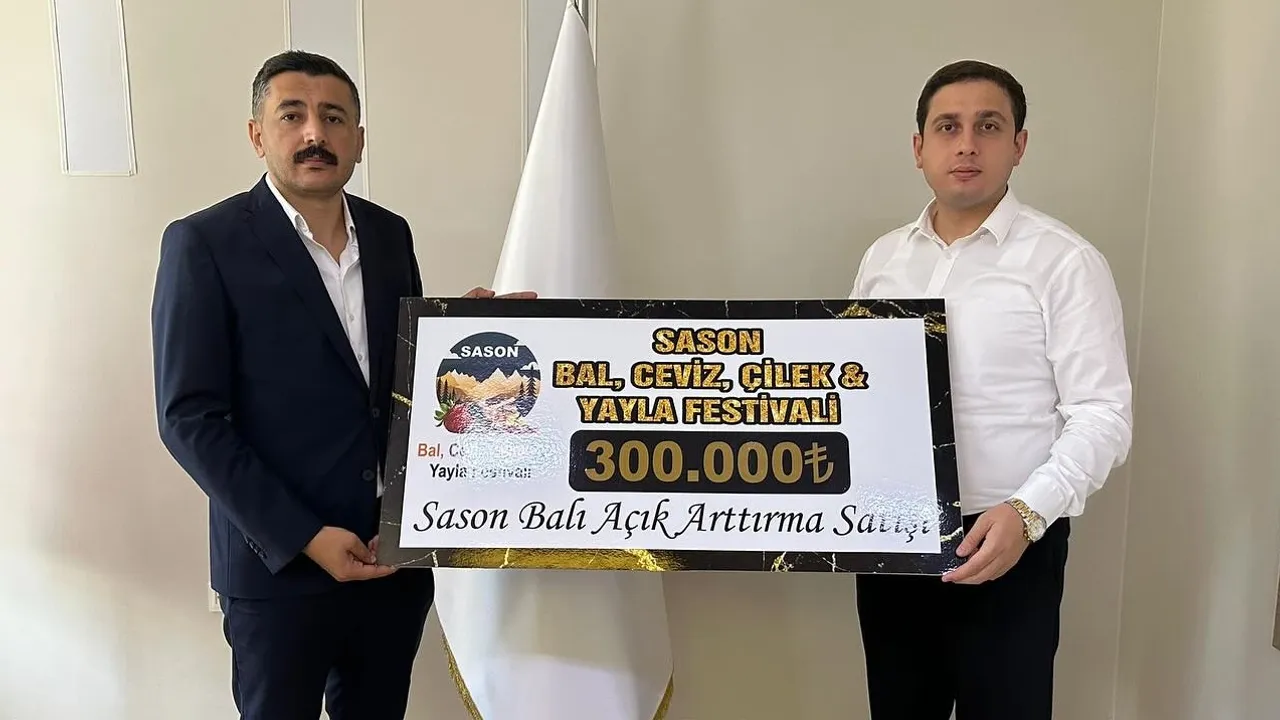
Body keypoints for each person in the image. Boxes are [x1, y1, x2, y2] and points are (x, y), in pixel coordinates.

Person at [150, 50, 533, 720]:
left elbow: (398, 385)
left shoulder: (389, 235)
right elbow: (189, 419)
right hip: (279, 573)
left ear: (358, 137)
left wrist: (466, 333)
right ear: (257, 134)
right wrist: (304, 535)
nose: (314, 134)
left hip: (392, 562)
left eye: (333, 118)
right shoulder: (204, 243)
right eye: (291, 116)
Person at [848, 59, 1133, 719]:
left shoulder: (1065, 261)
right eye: (948, 127)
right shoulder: (883, 260)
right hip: (894, 536)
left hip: (1011, 541)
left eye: (989, 126)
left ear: (1019, 145)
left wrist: (1028, 514)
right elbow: (861, 394)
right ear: (919, 148)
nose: (967, 144)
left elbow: (1103, 415)